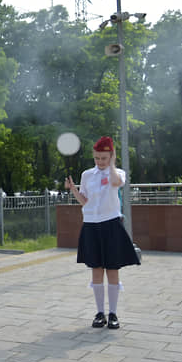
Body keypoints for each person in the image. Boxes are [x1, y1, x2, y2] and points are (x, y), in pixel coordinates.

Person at [64, 136, 139, 330]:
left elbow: (116, 182)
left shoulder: (118, 172)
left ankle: (113, 313)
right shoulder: (87, 175)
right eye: (97, 158)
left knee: (112, 269)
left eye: (104, 158)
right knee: (96, 269)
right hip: (91, 224)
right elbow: (85, 201)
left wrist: (111, 164)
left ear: (111, 156)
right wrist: (73, 189)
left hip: (111, 224)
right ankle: (99, 313)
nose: (100, 162)